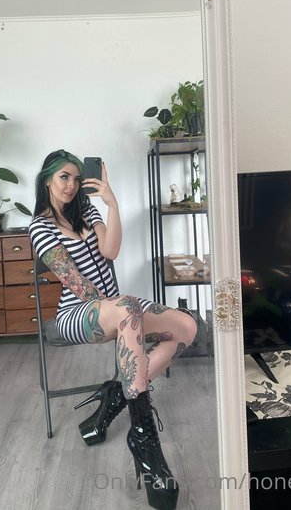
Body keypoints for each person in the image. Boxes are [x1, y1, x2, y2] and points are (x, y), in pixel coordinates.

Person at [29, 149, 197, 510]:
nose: (71, 185)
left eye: (77, 178)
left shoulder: (89, 212)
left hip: (119, 309)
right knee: (127, 308)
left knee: (185, 326)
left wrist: (112, 204)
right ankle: (145, 440)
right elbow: (77, 286)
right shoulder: (39, 228)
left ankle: (114, 395)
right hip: (77, 313)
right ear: (47, 180)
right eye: (64, 177)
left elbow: (112, 250)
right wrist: (118, 309)